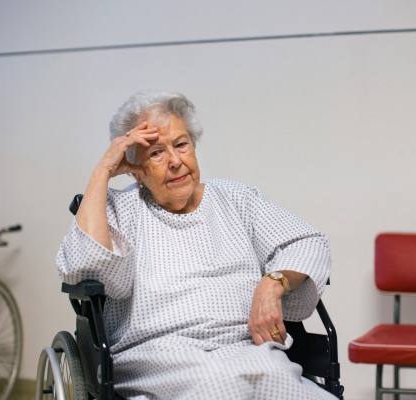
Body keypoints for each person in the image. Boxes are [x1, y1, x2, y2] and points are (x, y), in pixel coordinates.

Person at [56, 89, 335, 400]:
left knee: (277, 377)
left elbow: (307, 243)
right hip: (159, 356)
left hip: (246, 349)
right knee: (219, 384)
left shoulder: (235, 198)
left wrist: (272, 284)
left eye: (181, 144)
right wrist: (103, 171)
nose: (175, 161)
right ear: (136, 170)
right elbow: (89, 269)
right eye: (156, 153)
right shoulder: (123, 209)